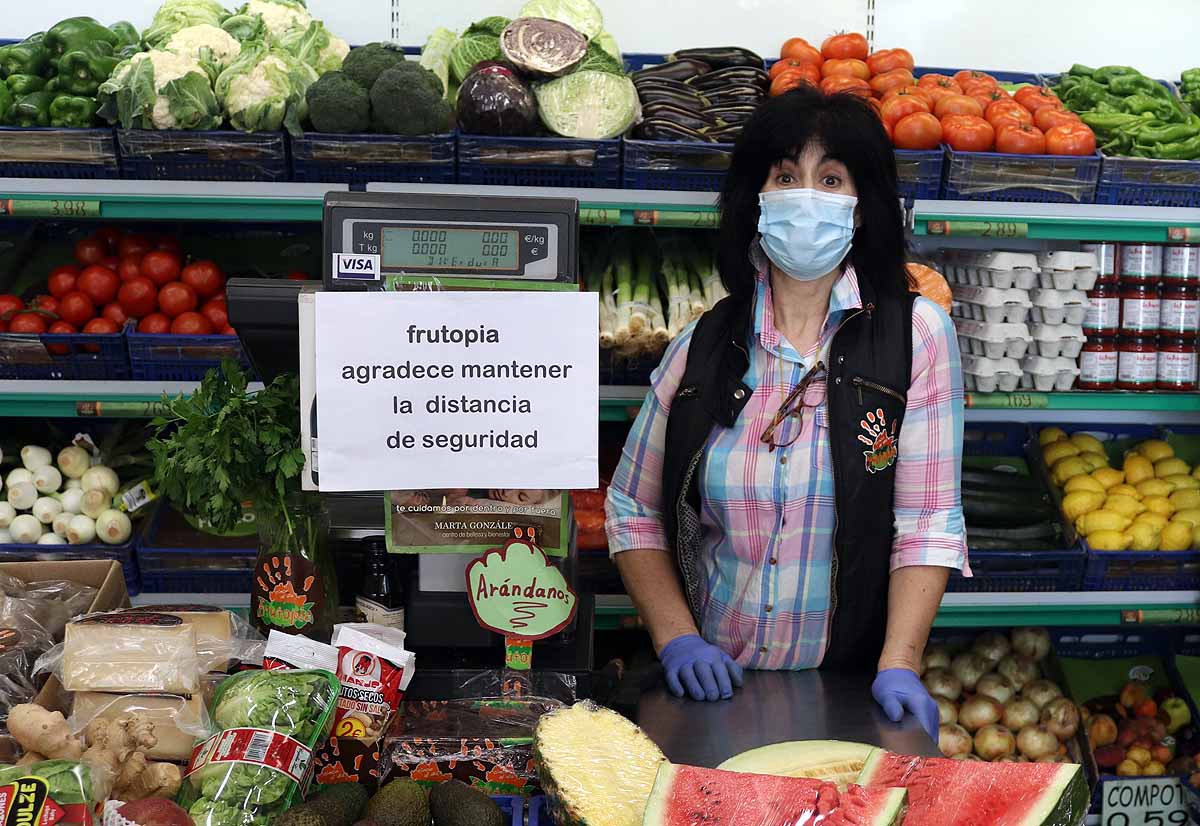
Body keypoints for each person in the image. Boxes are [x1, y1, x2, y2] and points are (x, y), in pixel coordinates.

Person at [603, 86, 968, 742]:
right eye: (785, 177)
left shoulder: (917, 337)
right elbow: (632, 511)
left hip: (854, 687)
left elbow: (928, 521)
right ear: (756, 202)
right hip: (715, 690)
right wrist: (678, 639)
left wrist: (900, 663)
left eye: (831, 179)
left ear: (862, 210)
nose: (806, 198)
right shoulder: (703, 345)